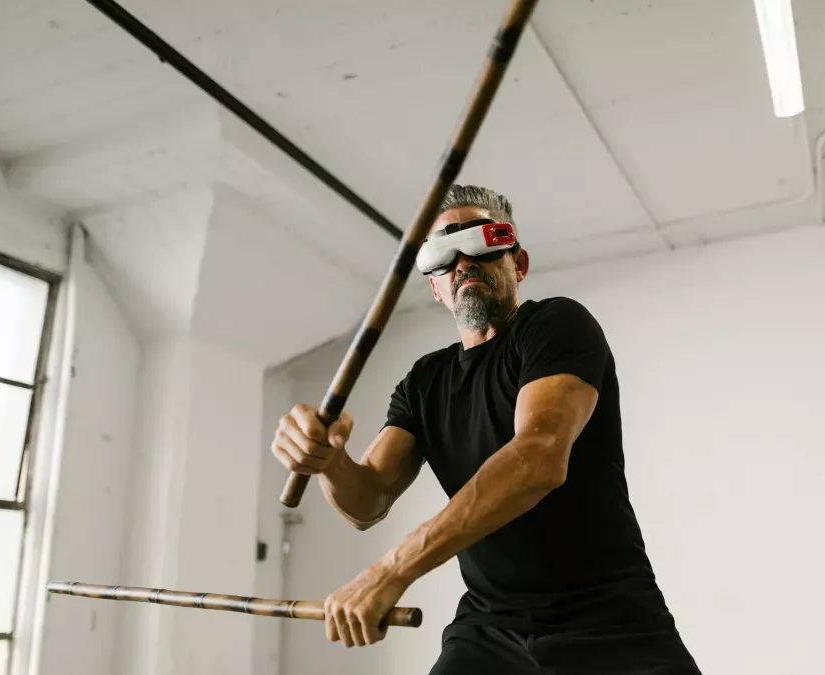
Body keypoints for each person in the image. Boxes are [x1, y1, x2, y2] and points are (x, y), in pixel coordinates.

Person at [271, 185, 701, 674]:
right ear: (435, 287)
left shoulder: (556, 325)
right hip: (489, 631)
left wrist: (392, 570)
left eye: (481, 241)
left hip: (609, 621)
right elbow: (367, 501)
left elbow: (537, 458)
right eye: (441, 254)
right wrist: (329, 462)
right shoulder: (423, 383)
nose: (462, 262)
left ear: (517, 264)